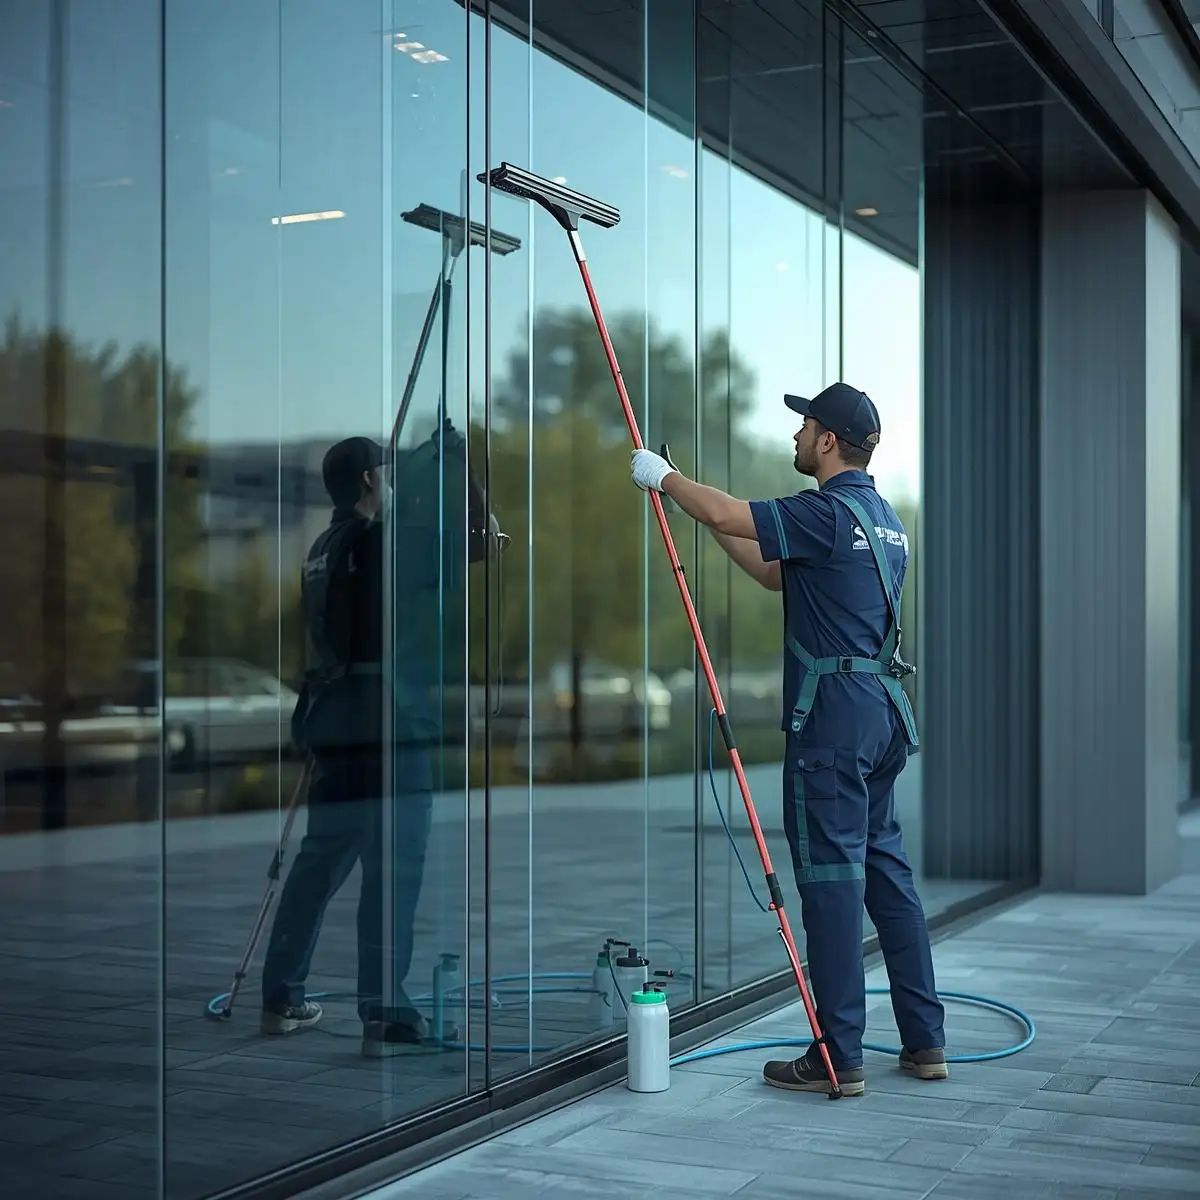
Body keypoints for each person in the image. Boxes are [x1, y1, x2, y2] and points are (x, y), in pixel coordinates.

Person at [630, 383, 946, 1097]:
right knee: (887, 878)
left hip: (832, 721)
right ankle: (927, 1042)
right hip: (880, 714)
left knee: (832, 885)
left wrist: (663, 477)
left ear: (829, 440)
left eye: (804, 427)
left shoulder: (826, 512)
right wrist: (706, 518)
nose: (796, 437)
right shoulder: (884, 519)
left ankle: (837, 1056)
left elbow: (729, 508)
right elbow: (775, 575)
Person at [260, 436, 445, 1057]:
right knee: (394, 871)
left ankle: (281, 995)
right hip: (386, 726)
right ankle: (384, 1009)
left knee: (318, 864)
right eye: (386, 474)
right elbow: (459, 551)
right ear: (370, 479)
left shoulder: (321, 547)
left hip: (334, 723)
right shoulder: (374, 542)